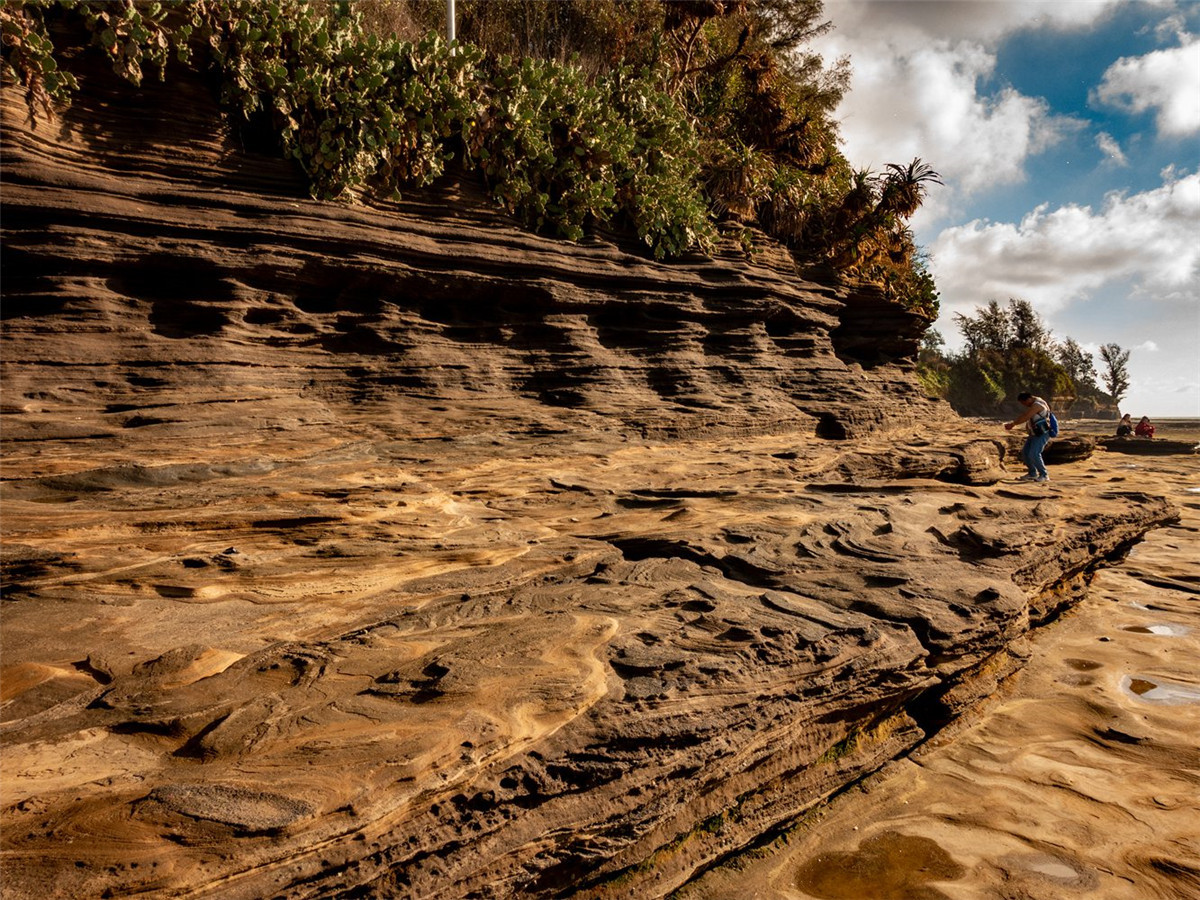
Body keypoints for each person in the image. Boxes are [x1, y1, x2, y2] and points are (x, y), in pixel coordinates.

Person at [1004, 392, 1053, 482]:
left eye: (1024, 403)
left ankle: (1044, 475)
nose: (1024, 405)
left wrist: (1013, 424)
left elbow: (1026, 416)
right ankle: (1032, 473)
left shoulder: (1037, 405)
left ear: (1029, 399)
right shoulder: (1037, 401)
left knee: (1034, 453)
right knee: (1026, 453)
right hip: (1034, 433)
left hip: (1042, 432)